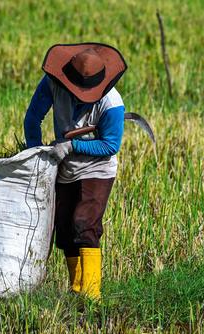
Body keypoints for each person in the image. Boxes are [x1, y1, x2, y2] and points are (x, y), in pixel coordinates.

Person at [23, 43, 127, 299]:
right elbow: (32, 119)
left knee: (84, 224)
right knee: (66, 229)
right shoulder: (52, 83)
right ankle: (75, 289)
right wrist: (36, 153)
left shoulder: (112, 103)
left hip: (97, 168)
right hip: (64, 166)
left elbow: (111, 145)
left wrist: (71, 145)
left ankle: (91, 295)